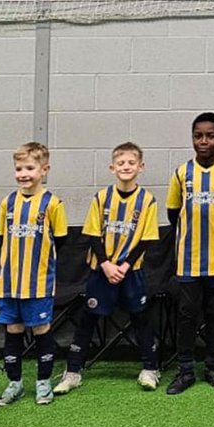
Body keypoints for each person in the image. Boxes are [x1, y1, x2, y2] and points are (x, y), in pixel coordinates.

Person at [53, 142, 160, 395]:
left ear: (141, 167)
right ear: (112, 168)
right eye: (121, 163)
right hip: (102, 271)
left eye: (131, 163)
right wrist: (107, 265)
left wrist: (123, 266)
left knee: (141, 318)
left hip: (131, 272)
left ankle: (150, 368)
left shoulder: (148, 200)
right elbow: (92, 233)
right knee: (88, 318)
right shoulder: (102, 198)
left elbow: (146, 239)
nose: (126, 167)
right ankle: (73, 371)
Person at [165, 112, 214, 394]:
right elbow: (173, 213)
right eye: (198, 135)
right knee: (186, 316)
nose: (203, 141)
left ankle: (213, 367)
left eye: (210, 136)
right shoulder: (181, 173)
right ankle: (185, 370)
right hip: (188, 262)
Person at [0, 142, 68, 406]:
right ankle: (14, 383)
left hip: (38, 285)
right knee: (12, 330)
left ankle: (43, 382)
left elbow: (60, 240)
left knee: (40, 329)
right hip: (9, 284)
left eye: (30, 168)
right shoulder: (8, 202)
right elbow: (2, 239)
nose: (23, 174)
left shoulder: (53, 203)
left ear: (44, 170)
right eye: (18, 168)